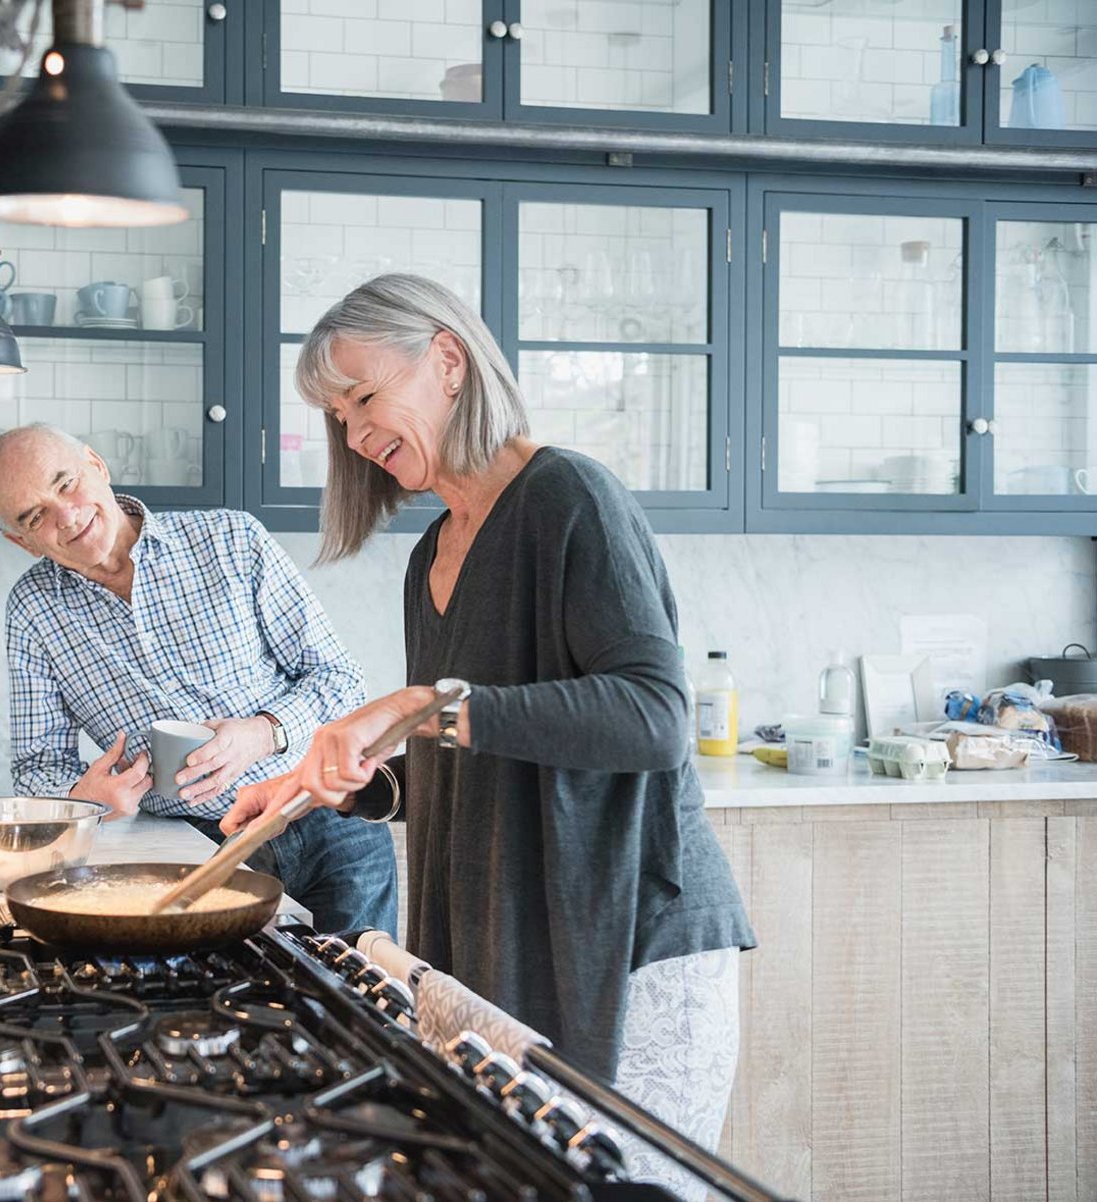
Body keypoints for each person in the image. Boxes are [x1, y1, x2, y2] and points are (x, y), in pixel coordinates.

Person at [220, 274, 755, 1196]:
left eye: (363, 399)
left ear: (448, 360)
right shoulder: (433, 553)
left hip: (630, 936)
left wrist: (426, 704)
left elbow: (656, 715)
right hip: (514, 932)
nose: (354, 435)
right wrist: (350, 783)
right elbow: (468, 754)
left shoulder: (569, 498)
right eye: (338, 417)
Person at [0, 422, 398, 935]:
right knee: (240, 1003)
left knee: (362, 997)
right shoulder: (33, 610)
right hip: (203, 845)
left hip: (331, 815)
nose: (66, 515)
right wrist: (83, 799)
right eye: (35, 516)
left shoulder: (231, 539)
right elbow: (36, 766)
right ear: (19, 541)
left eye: (66, 483)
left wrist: (262, 732)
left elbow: (340, 679)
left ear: (96, 464)